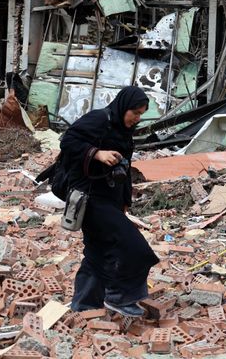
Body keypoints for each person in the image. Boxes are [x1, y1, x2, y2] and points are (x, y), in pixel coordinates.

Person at [58, 86, 159, 317]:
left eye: (141, 114)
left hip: (110, 199)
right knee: (136, 248)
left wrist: (125, 201)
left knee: (97, 252)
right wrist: (97, 153)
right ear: (124, 106)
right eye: (135, 112)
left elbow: (125, 169)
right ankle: (119, 297)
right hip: (90, 198)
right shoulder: (99, 119)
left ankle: (84, 306)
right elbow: (68, 141)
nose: (137, 118)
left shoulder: (123, 131)